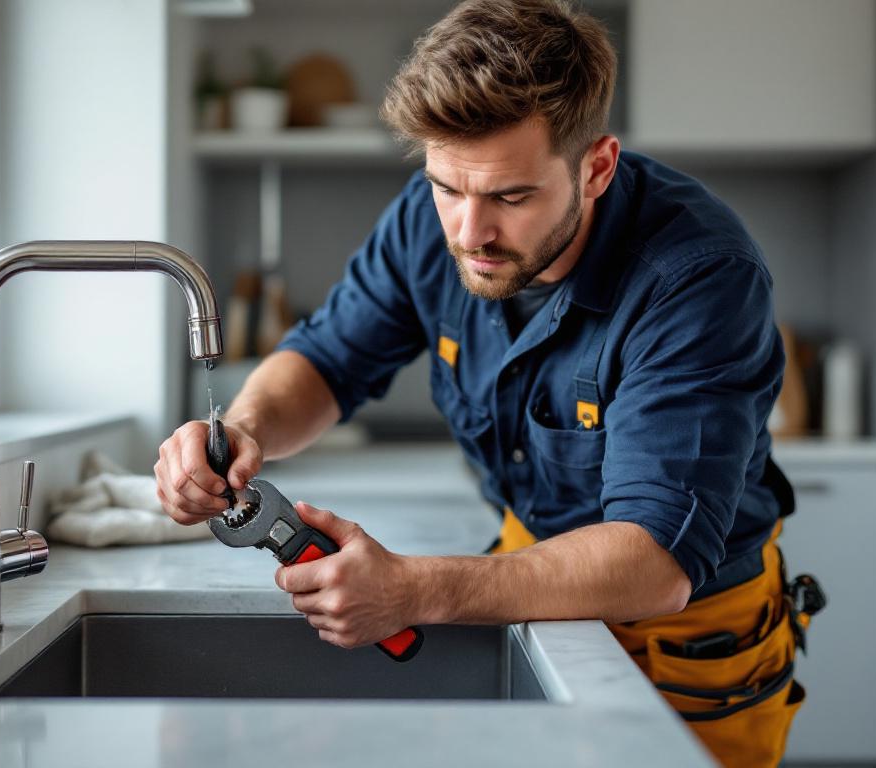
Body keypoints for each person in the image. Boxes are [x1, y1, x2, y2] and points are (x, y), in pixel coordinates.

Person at [155, 1, 820, 764]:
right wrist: (246, 428)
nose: (470, 233)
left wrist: (414, 589)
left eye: (511, 196)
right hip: (529, 565)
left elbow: (653, 561)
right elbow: (328, 359)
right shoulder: (427, 220)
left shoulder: (697, 277)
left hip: (689, 633)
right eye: (447, 187)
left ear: (596, 167)